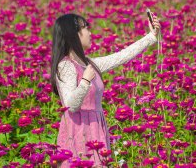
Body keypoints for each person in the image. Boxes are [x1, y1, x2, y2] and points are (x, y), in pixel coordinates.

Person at [50, 13, 160, 167]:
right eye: (85, 28)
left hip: (96, 128)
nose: (90, 33)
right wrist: (85, 81)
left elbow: (122, 56)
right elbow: (71, 105)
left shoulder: (90, 63)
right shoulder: (66, 65)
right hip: (77, 131)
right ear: (73, 34)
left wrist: (151, 36)